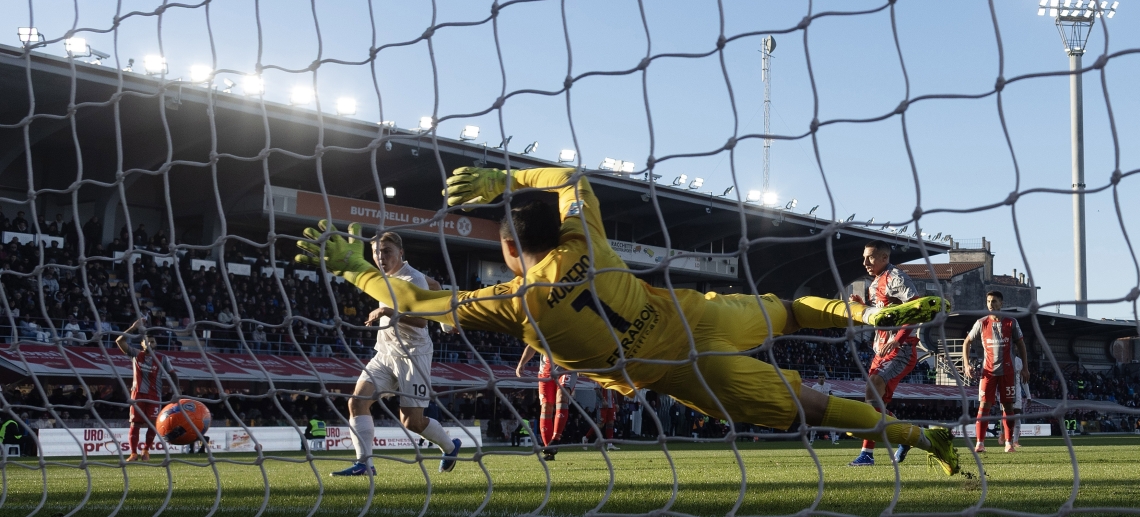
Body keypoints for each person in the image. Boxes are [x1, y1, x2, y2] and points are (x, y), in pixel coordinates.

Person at [297, 167, 959, 475]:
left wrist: (355, 267)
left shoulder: (514, 299)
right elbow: (570, 177)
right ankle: (864, 312)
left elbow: (414, 305)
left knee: (813, 406)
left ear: (507, 249)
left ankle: (920, 439)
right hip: (691, 314)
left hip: (674, 371)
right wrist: (503, 176)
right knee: (787, 310)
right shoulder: (587, 238)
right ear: (560, 224)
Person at [330, 231, 461, 477]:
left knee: (412, 422)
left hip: (413, 355)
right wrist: (446, 320)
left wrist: (388, 312)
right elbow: (435, 285)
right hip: (385, 353)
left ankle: (450, 446)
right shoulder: (388, 276)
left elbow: (421, 322)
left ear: (401, 253)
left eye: (386, 251)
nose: (380, 257)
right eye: (376, 252)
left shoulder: (412, 278)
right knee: (357, 402)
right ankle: (364, 463)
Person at [848, 241, 923, 467]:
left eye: (870, 257)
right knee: (874, 401)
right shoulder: (875, 283)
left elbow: (917, 306)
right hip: (880, 350)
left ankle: (867, 455)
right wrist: (863, 305)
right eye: (864, 258)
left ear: (883, 257)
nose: (865, 262)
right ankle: (906, 435)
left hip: (900, 349)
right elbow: (882, 313)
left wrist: (898, 338)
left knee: (872, 388)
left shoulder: (896, 277)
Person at [962, 290, 1029, 453]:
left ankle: (1008, 443)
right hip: (988, 372)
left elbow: (1021, 345)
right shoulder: (981, 323)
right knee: (984, 405)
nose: (990, 305)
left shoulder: (1011, 323)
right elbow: (967, 342)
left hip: (1008, 372)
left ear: (1001, 304)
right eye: (988, 301)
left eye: (994, 301)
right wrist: (966, 364)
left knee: (1007, 406)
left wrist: (1025, 368)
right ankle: (980, 443)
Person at [115, 321, 176, 462]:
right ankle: (133, 454)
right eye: (147, 341)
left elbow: (173, 374)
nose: (150, 344)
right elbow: (119, 341)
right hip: (137, 395)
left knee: (153, 424)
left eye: (152, 342)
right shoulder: (136, 354)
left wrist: (176, 390)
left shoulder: (162, 358)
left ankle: (146, 450)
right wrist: (133, 327)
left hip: (154, 396)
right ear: (142, 343)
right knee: (135, 424)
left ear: (155, 344)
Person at [516, 344, 578, 460]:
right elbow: (532, 344)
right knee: (546, 407)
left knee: (562, 396)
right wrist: (522, 363)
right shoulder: (543, 327)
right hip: (545, 372)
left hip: (567, 369)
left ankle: (555, 440)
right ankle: (549, 450)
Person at [807, 375, 838, 445]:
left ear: (824, 378)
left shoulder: (828, 385)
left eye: (823, 377)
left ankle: (833, 441)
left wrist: (834, 399)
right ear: (818, 378)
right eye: (820, 377)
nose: (821, 379)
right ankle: (811, 440)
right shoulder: (814, 387)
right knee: (814, 424)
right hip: (818, 407)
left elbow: (830, 394)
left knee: (831, 424)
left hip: (827, 406)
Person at [1011, 352, 1032, 448]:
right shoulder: (1002, 358)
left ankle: (1015, 441)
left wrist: (1028, 396)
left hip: (1017, 392)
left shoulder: (1019, 361)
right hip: (1004, 390)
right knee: (1006, 416)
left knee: (1017, 416)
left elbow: (1024, 381)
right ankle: (1006, 438)